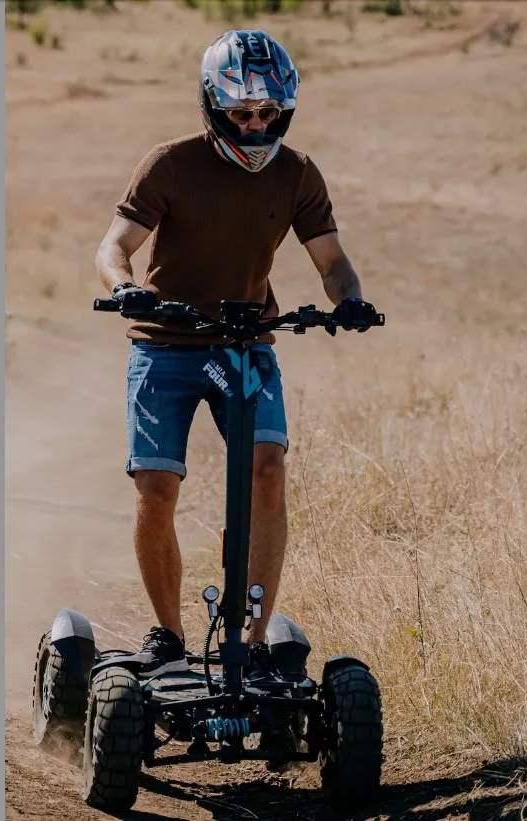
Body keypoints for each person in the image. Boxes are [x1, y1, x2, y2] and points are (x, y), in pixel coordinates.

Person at [93, 29, 380, 675]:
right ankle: (167, 634)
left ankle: (247, 645)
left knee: (268, 472)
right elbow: (113, 247)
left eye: (268, 114)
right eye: (240, 113)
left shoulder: (298, 173)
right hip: (164, 345)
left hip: (246, 346)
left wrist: (351, 300)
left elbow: (332, 262)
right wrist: (126, 290)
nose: (254, 126)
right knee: (157, 487)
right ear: (211, 106)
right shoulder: (170, 163)